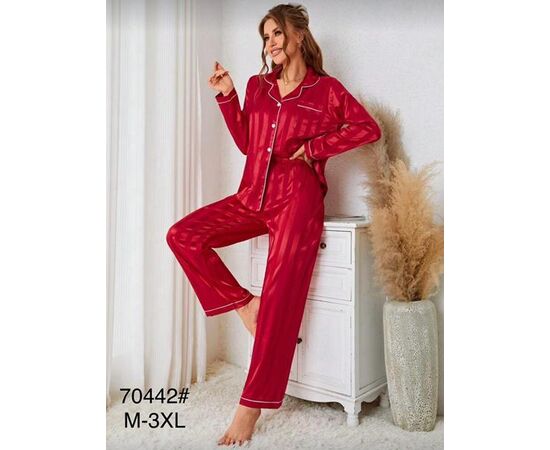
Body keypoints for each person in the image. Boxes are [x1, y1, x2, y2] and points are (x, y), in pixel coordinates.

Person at [166, 3, 381, 446]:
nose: (271, 43)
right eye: (266, 37)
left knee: (281, 297)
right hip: (252, 195)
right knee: (182, 235)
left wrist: (315, 149)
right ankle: (247, 305)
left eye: (277, 33)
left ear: (299, 35)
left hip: (297, 199)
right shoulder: (257, 86)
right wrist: (227, 96)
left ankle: (250, 408)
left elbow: (367, 128)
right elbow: (249, 143)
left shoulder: (326, 90)